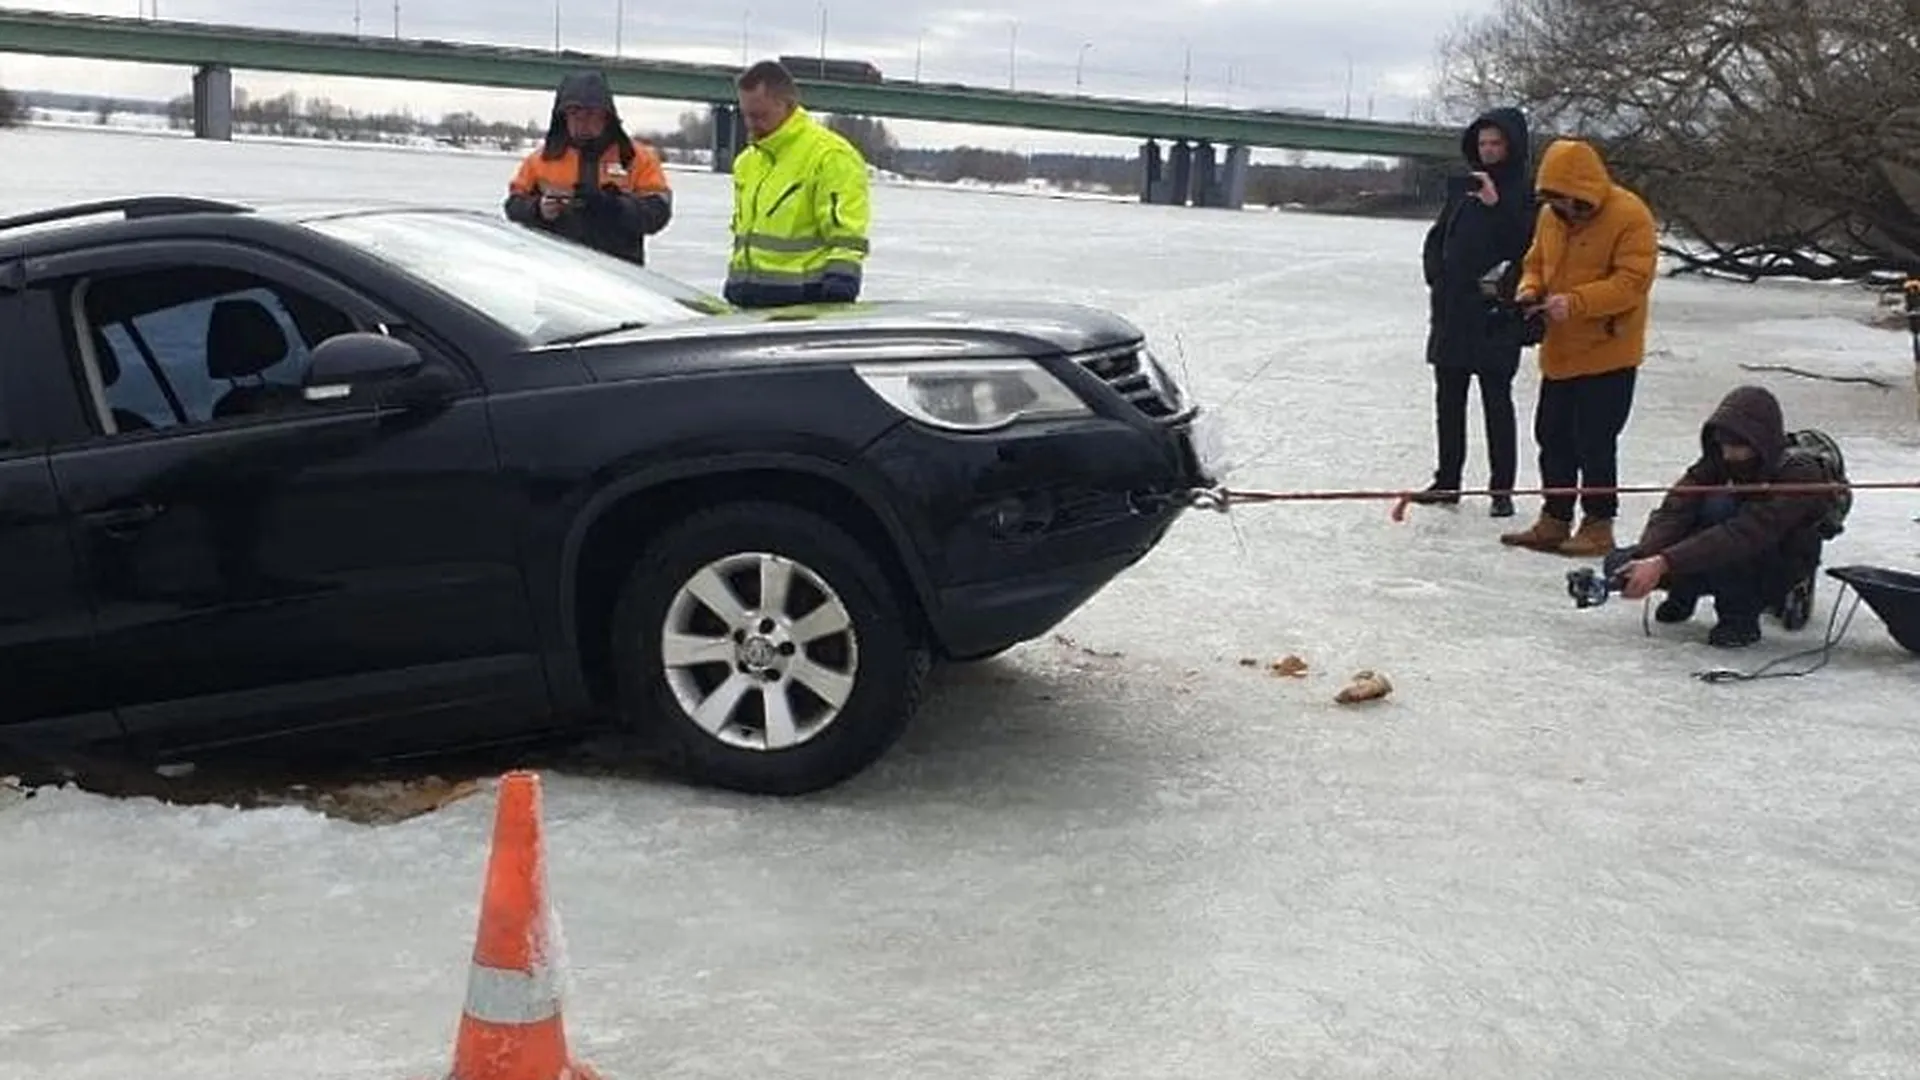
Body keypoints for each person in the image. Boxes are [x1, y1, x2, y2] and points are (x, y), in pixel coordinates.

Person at [1498, 137, 1658, 557]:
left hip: (1609, 351)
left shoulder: (1630, 215)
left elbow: (1633, 282)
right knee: (1551, 435)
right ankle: (1555, 517)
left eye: (1570, 200)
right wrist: (1530, 290)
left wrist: (1578, 302)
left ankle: (1599, 524)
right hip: (1561, 351)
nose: (1564, 209)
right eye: (1555, 200)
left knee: (1595, 440)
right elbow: (1534, 262)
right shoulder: (1549, 218)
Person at [1614, 386, 1829, 648]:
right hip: (1726, 544)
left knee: (1722, 516)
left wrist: (1664, 563)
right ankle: (1684, 593)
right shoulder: (1719, 458)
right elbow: (1676, 506)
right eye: (1722, 445)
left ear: (1760, 441)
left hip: (1776, 556)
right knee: (1622, 560)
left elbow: (1746, 533)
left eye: (1737, 447)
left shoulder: (1800, 474)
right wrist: (1647, 556)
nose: (1727, 455)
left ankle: (1740, 616)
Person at [1408, 106, 1535, 519]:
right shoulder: (1463, 192)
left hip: (1495, 315)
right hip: (1452, 312)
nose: (1489, 150)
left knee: (1497, 400)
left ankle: (1502, 489)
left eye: (1496, 143)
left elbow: (1527, 247)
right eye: (1483, 143)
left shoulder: (1524, 193)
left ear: (1512, 145)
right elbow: (1436, 238)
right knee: (1449, 401)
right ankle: (1447, 481)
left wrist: (1496, 205)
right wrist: (1436, 276)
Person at [724, 60, 872, 308]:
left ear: (787, 105)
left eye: (760, 115)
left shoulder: (830, 156)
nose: (750, 124)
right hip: (747, 302)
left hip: (803, 306)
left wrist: (838, 290)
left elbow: (847, 235)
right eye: (745, 115)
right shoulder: (747, 162)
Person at [505, 70, 672, 266]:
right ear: (563, 116)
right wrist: (539, 209)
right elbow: (514, 205)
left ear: (606, 116)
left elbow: (658, 213)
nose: (582, 122)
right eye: (575, 113)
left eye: (591, 114)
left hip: (620, 272)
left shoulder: (637, 158)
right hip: (553, 270)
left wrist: (613, 206)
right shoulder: (541, 159)